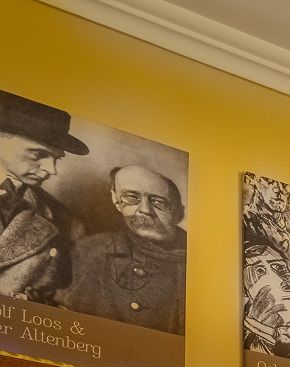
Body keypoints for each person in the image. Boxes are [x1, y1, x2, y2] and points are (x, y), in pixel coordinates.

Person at [61, 163, 185, 333]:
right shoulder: (87, 251)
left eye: (158, 202)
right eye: (131, 198)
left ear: (179, 213)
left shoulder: (202, 267)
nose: (145, 210)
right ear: (117, 202)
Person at [0, 90, 85, 303]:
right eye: (38, 154)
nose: (52, 170)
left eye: (56, 158)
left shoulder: (65, 221)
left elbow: (67, 298)